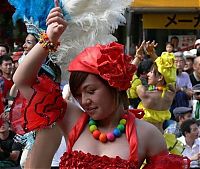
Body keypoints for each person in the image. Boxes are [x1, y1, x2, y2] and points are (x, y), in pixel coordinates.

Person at [10, 5, 190, 169]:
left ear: (114, 85)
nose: (84, 101)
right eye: (79, 94)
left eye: (91, 91)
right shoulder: (72, 119)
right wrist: (49, 38)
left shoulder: (147, 134)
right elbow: (22, 80)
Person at [133, 41, 177, 133]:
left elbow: (129, 74)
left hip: (145, 139)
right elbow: (167, 75)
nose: (148, 74)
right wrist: (152, 53)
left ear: (160, 77)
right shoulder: (171, 92)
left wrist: (138, 57)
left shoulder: (146, 94)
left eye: (151, 72)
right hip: (160, 138)